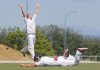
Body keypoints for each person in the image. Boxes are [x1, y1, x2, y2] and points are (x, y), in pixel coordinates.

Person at [21, 47, 88, 67]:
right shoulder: (43, 57)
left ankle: (78, 51)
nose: (35, 61)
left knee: (75, 63)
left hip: (61, 62)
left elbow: (32, 65)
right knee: (73, 59)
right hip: (60, 58)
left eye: (35, 59)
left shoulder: (41, 61)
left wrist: (24, 65)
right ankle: (66, 54)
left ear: (37, 59)